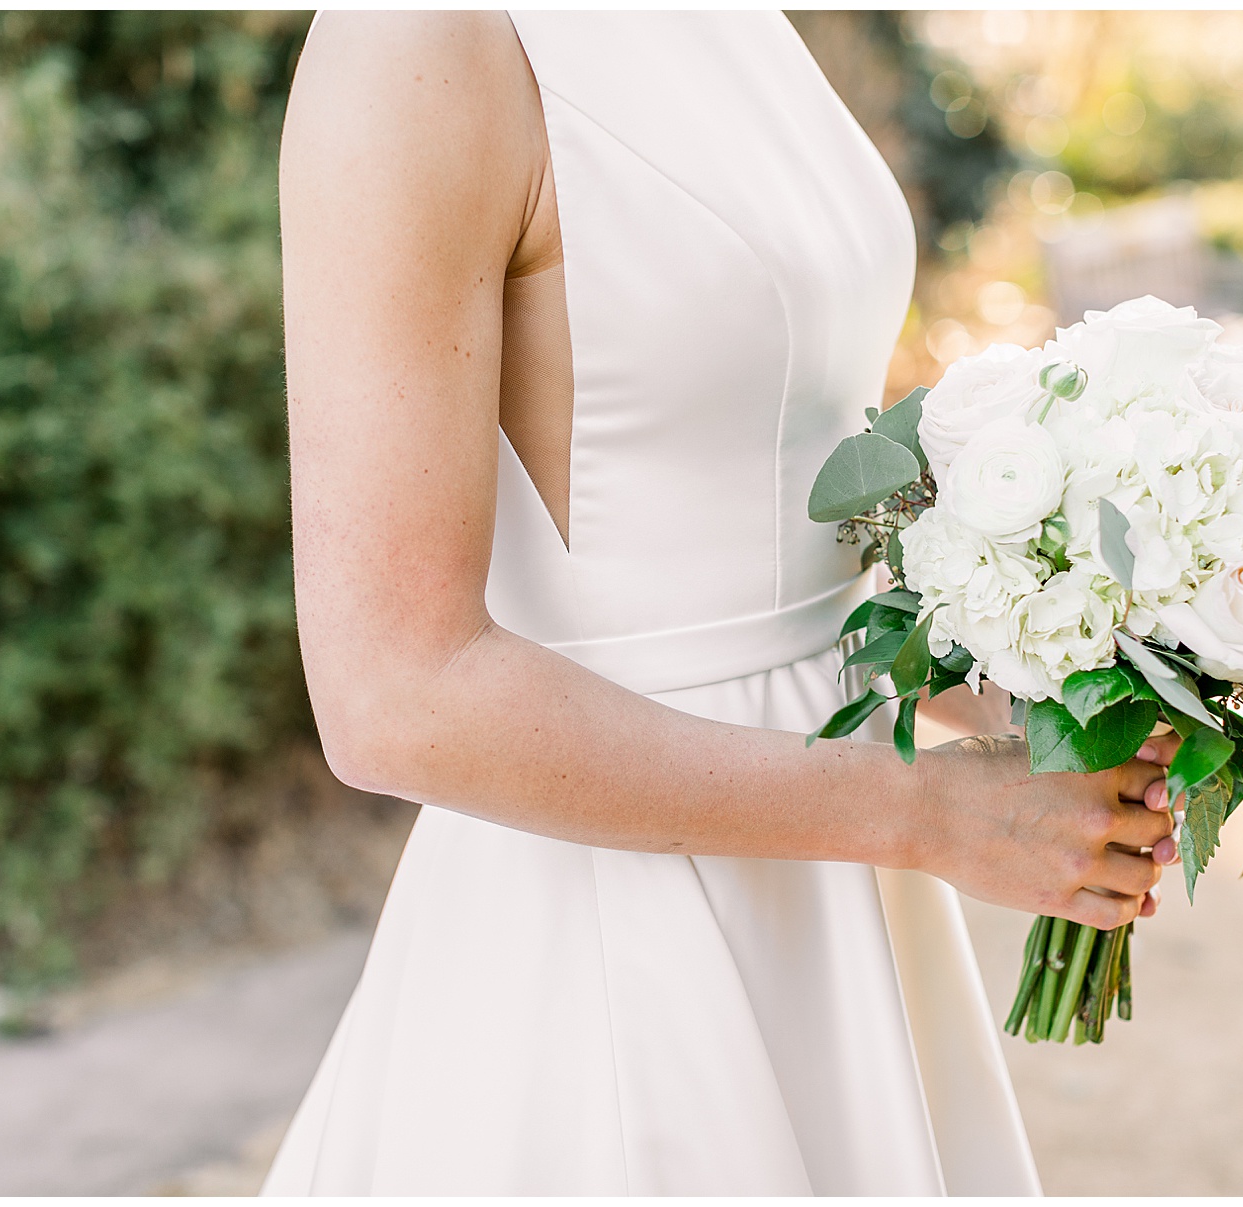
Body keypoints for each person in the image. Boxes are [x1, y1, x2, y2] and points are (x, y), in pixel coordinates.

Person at [263, 11, 1179, 1196]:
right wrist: (925, 814)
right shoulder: (419, 43)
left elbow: (785, 481)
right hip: (620, 920)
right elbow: (396, 694)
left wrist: (1054, 668)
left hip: (845, 896)